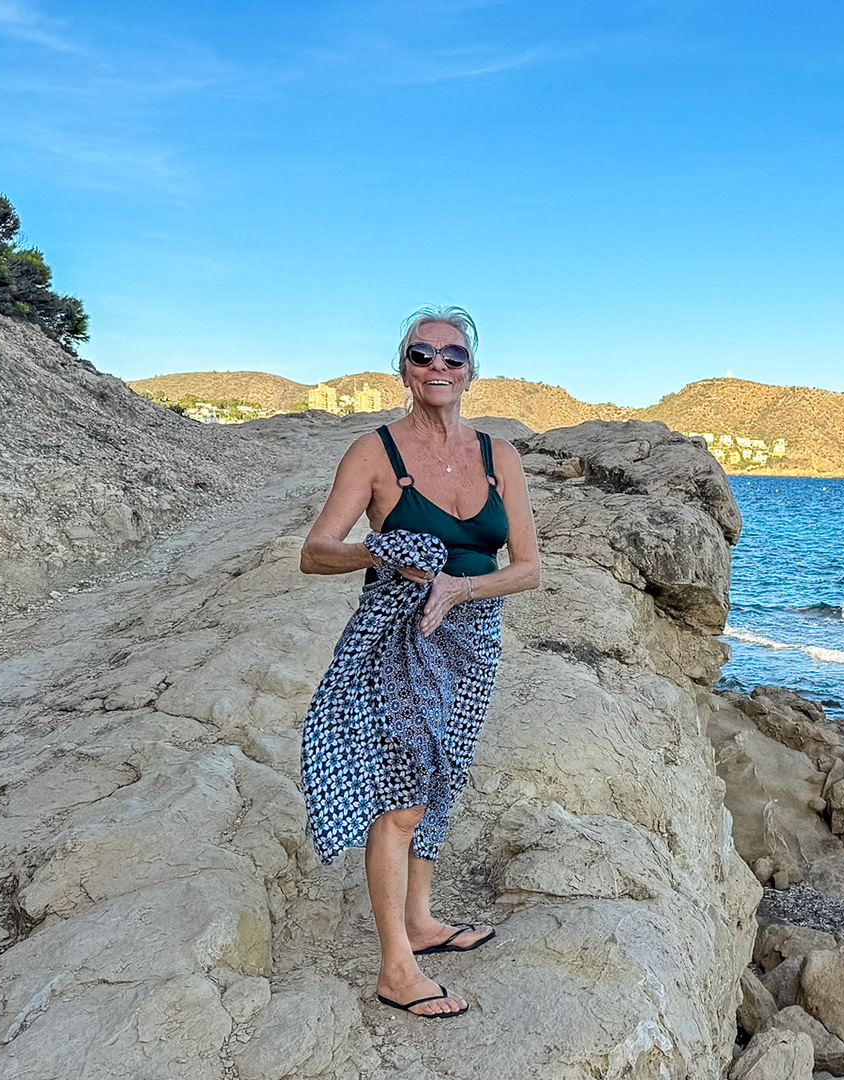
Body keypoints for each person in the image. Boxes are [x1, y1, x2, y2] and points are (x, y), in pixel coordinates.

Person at [297, 306, 540, 1018]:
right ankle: (395, 969)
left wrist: (462, 586)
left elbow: (527, 568)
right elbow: (315, 552)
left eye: (452, 355)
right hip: (399, 639)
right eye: (421, 354)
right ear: (403, 369)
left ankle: (421, 920)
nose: (438, 366)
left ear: (471, 369)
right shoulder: (374, 453)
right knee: (401, 797)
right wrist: (381, 550)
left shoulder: (499, 456)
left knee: (443, 776)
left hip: (474, 636)